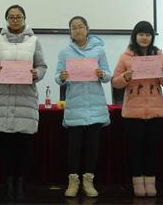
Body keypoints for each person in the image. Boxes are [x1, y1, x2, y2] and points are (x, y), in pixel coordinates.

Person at [0, 4, 47, 200]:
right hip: (3, 98)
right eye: (11, 17)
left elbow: (42, 66)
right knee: (5, 147)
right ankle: (8, 184)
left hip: (25, 100)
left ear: (24, 19)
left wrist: (36, 73)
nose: (15, 20)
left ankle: (20, 184)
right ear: (6, 20)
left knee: (23, 147)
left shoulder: (34, 41)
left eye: (18, 16)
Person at [111, 21, 163, 197]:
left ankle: (150, 183)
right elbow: (115, 82)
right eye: (141, 34)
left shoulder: (159, 56)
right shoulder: (125, 57)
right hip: (133, 110)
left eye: (148, 34)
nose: (144, 37)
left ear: (152, 37)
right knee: (136, 148)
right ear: (135, 36)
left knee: (152, 148)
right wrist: (126, 76)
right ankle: (138, 183)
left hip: (156, 109)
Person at [55, 16, 111, 198]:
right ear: (70, 31)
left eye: (80, 27)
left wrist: (102, 74)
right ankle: (73, 182)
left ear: (87, 29)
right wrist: (62, 77)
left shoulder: (99, 51)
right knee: (74, 147)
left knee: (92, 146)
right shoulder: (65, 52)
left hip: (95, 105)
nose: (77, 30)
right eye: (73, 28)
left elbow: (108, 75)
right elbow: (57, 76)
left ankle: (88, 181)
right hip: (75, 105)